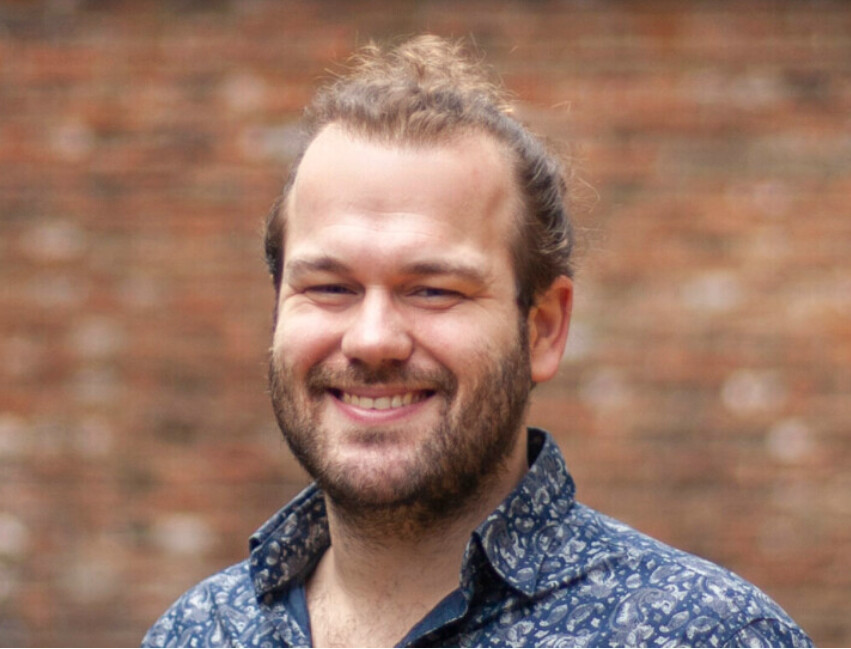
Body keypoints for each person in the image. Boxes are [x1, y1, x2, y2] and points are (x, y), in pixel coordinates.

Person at [143, 36, 812, 648]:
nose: (372, 339)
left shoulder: (706, 634)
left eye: (433, 290)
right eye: (329, 287)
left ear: (542, 328)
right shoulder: (196, 632)